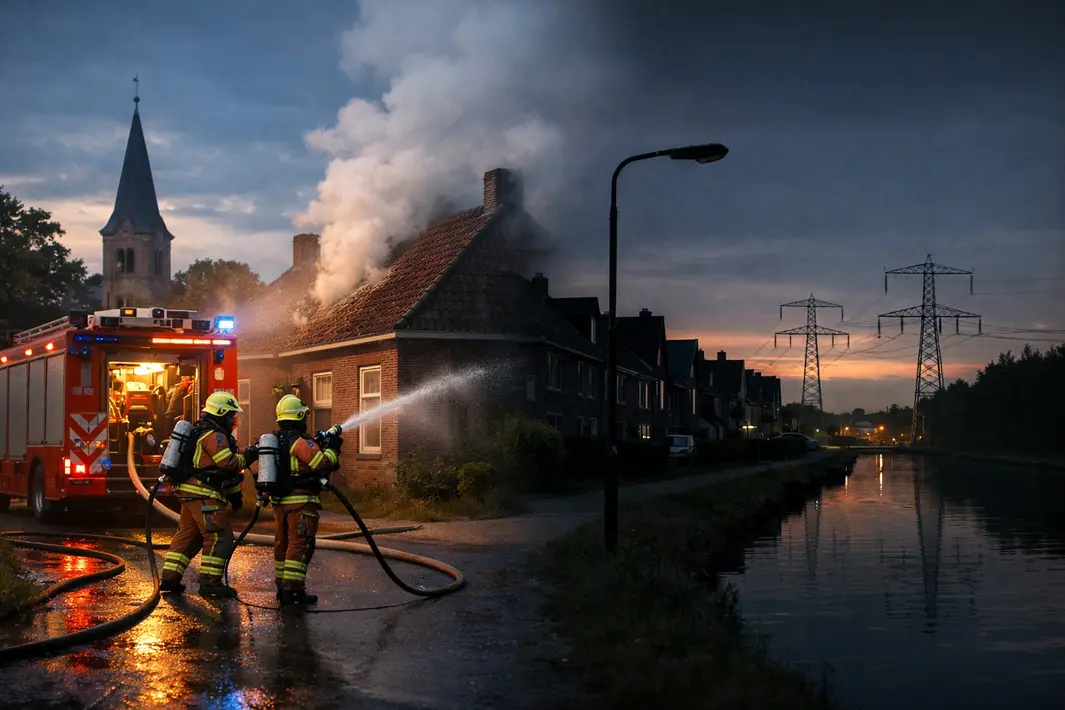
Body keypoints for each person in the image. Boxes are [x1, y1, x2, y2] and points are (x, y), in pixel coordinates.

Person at [160, 391, 258, 597]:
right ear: (222, 413)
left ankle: (170, 578)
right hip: (203, 494)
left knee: (189, 536)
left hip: (189, 492)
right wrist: (248, 456)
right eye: (231, 415)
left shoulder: (200, 432)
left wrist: (234, 496)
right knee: (220, 537)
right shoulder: (215, 435)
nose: (233, 420)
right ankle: (210, 584)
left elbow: (220, 475)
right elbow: (229, 464)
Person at [261, 394, 342, 606]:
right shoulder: (301, 442)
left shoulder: (276, 440)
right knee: (300, 544)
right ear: (298, 416)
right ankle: (294, 590)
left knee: (283, 543)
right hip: (301, 502)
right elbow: (323, 464)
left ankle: (282, 586)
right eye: (304, 415)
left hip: (280, 503)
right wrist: (333, 447)